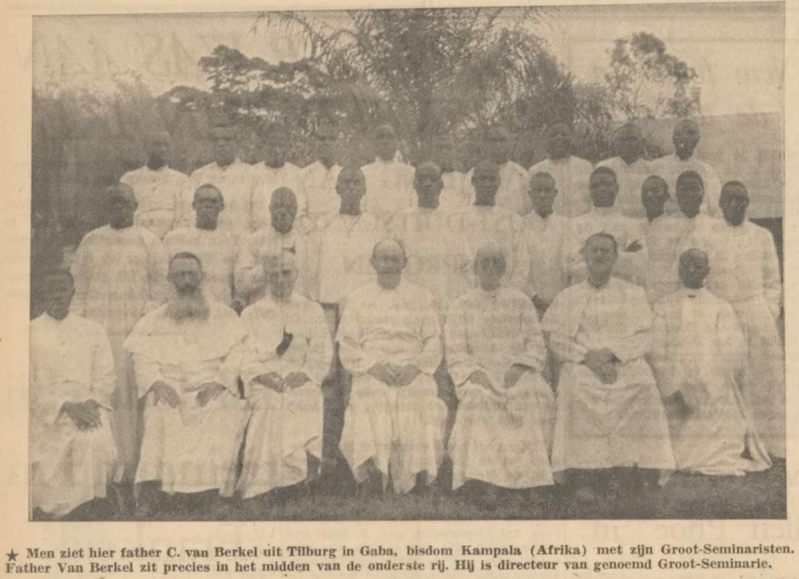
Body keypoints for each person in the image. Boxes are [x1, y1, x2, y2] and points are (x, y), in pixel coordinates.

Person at [542, 233, 674, 506]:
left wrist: (612, 355)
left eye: (606, 251)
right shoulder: (569, 296)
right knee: (576, 390)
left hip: (623, 362)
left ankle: (629, 470)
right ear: (584, 256)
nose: (599, 256)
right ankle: (586, 475)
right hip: (582, 364)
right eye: (594, 251)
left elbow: (645, 336)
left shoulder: (632, 293)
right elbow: (557, 339)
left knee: (643, 387)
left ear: (615, 258)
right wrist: (587, 357)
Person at [126, 253, 250, 514]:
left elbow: (238, 352)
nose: (186, 281)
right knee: (162, 411)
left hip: (211, 386)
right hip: (169, 386)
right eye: (180, 275)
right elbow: (142, 356)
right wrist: (157, 383)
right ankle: (152, 491)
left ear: (202, 277)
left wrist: (219, 383)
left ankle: (213, 493)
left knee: (220, 411)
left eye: (192, 274)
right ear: (170, 279)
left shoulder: (224, 315)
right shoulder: (153, 319)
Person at [70, 184, 168, 483]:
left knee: (131, 392)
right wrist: (78, 326)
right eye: (112, 203)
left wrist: (144, 323)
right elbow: (79, 287)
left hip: (135, 330)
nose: (118, 208)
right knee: (103, 388)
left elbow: (160, 288)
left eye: (124, 203)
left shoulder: (149, 241)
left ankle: (133, 464)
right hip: (99, 329)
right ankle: (103, 467)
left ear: (135, 206)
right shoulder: (92, 240)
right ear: (106, 207)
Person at [446, 246, 555, 508]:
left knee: (533, 395)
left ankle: (532, 479)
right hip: (480, 374)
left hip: (519, 373)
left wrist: (520, 367)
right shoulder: (461, 306)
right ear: (475, 267)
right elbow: (456, 350)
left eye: (497, 262)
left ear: (505, 269)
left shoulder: (520, 301)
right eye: (485, 262)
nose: (491, 267)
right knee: (479, 398)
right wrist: (474, 373)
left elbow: (535, 344)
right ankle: (485, 480)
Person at [337, 239, 446, 494]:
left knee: (421, 398)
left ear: (404, 263)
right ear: (373, 263)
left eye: (395, 259)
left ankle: (419, 474)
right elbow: (348, 344)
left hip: (412, 367)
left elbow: (432, 341)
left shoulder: (421, 296)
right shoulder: (358, 298)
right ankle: (372, 474)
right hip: (373, 367)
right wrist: (373, 367)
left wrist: (416, 367)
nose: (389, 265)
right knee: (370, 396)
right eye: (383, 259)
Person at [651, 249, 771, 476]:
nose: (691, 270)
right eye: (686, 265)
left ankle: (712, 453)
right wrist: (675, 384)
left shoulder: (721, 306)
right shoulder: (663, 306)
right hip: (675, 380)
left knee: (714, 401)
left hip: (713, 381)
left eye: (697, 266)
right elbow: (657, 349)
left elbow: (733, 349)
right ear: (679, 269)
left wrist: (706, 378)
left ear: (707, 271)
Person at [238, 250, 333, 501]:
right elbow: (244, 354)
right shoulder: (251, 313)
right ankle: (262, 485)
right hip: (264, 380)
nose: (280, 279)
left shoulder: (311, 310)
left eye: (286, 273)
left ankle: (301, 478)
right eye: (273, 274)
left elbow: (321, 351)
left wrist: (304, 374)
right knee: (270, 403)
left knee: (303, 398)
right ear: (265, 278)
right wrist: (263, 375)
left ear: (296, 274)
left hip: (300, 378)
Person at [705, 182, 785, 459]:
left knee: (761, 378)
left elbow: (773, 281)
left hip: (755, 313)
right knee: (726, 377)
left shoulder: (761, 235)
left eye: (741, 199)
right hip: (722, 312)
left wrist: (768, 311)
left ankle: (768, 440)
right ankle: (731, 443)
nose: (735, 204)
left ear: (748, 202)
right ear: (721, 203)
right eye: (729, 199)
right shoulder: (708, 233)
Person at [30, 270, 117, 519]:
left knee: (93, 439)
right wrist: (63, 405)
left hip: (89, 406)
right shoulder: (29, 331)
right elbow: (25, 384)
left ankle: (91, 502)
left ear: (73, 293)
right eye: (51, 290)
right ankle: (57, 507)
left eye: (63, 290)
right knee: (48, 449)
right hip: (46, 411)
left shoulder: (92, 329)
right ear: (43, 295)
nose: (58, 296)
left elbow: (106, 376)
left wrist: (92, 403)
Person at [388, 162, 471, 321]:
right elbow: (392, 266)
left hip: (445, 303)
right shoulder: (400, 221)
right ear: (414, 184)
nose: (427, 184)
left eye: (432, 179)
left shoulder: (453, 220)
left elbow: (465, 265)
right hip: (409, 306)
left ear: (441, 185)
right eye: (422, 179)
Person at [316, 167, 384, 330]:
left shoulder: (376, 227)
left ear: (364, 190)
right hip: (329, 304)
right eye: (346, 182)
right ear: (337, 188)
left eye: (356, 183)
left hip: (364, 307)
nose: (351, 187)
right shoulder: (323, 225)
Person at [163, 184, 243, 311]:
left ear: (222, 206)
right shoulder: (174, 239)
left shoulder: (234, 241)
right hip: (183, 310)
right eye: (202, 201)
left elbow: (239, 281)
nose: (207, 205)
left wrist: (238, 302)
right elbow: (164, 278)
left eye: (213, 201)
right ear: (193, 205)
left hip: (221, 310)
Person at [451, 160, 528, 291]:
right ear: (473, 181)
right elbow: (454, 263)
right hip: (467, 298)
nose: (486, 184)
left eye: (491, 179)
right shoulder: (457, 219)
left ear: (499, 182)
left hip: (505, 298)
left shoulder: (512, 220)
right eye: (482, 179)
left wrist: (508, 296)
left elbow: (521, 264)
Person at [567, 167, 646, 286]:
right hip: (584, 295)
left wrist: (586, 254)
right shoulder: (574, 224)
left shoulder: (632, 225)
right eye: (596, 185)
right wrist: (621, 253)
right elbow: (571, 266)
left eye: (607, 184)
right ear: (590, 190)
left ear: (617, 188)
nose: (602, 189)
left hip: (621, 294)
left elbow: (640, 264)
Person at [235, 187, 314, 305]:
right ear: (270, 208)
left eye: (287, 207)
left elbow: (313, 286)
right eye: (278, 206)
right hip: (263, 312)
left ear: (296, 210)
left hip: (297, 313)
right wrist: (265, 269)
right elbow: (240, 284)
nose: (282, 212)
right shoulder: (253, 241)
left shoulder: (307, 243)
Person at [120, 131, 192, 239]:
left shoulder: (182, 180)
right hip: (135, 240)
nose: (163, 149)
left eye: (166, 145)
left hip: (170, 241)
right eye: (157, 145)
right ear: (145, 147)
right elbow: (123, 213)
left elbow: (187, 215)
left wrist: (170, 238)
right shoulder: (129, 179)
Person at [520, 172, 572, 318]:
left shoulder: (567, 225)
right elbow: (518, 269)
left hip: (562, 305)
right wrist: (534, 299)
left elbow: (571, 265)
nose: (542, 195)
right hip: (528, 304)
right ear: (530, 194)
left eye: (547, 191)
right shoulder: (519, 226)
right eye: (537, 191)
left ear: (555, 193)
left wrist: (560, 301)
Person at [189, 125, 257, 233]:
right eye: (216, 140)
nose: (221, 144)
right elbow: (190, 214)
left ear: (237, 143)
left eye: (227, 139)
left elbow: (258, 218)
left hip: (240, 241)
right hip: (205, 241)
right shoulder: (198, 175)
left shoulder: (253, 174)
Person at [652, 119, 722, 216]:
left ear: (697, 139)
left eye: (690, 133)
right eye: (679, 133)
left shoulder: (707, 171)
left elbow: (715, 209)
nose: (684, 137)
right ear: (673, 139)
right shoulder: (657, 167)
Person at [528, 121, 593, 217]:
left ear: (572, 138)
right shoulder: (536, 170)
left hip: (581, 228)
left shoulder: (585, 167)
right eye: (553, 135)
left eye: (564, 134)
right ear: (546, 140)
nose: (559, 137)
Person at [251, 124, 307, 232]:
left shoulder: (298, 174)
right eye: (272, 145)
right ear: (263, 145)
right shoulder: (252, 173)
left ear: (288, 147)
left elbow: (301, 211)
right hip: (259, 239)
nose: (276, 150)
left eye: (281, 145)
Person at [468, 126, 530, 216]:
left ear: (511, 143)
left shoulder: (522, 175)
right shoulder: (473, 173)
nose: (498, 145)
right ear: (486, 144)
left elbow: (528, 210)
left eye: (502, 140)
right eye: (493, 141)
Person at [361, 123, 416, 225]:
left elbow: (414, 206)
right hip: (371, 231)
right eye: (380, 137)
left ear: (397, 143)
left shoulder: (410, 172)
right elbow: (360, 207)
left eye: (389, 137)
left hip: (403, 230)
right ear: (374, 143)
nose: (385, 141)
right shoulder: (364, 172)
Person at [596, 123, 653, 219]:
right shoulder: (604, 167)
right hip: (612, 223)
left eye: (632, 139)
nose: (627, 143)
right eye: (622, 139)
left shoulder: (651, 169)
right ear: (615, 143)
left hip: (642, 225)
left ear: (642, 143)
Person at [640, 175, 678, 304]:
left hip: (666, 299)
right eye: (645, 192)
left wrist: (654, 295)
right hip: (635, 299)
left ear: (667, 196)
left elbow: (676, 268)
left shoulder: (676, 228)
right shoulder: (634, 227)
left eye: (655, 190)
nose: (650, 195)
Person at [301, 125, 343, 226]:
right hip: (310, 235)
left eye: (331, 139)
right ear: (315, 143)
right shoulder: (303, 175)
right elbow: (299, 212)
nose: (326, 143)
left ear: (338, 144)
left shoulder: (346, 176)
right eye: (321, 139)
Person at [429, 134, 471, 211]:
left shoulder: (464, 179)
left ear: (454, 151)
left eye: (448, 148)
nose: (445, 152)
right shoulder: (425, 179)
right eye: (440, 148)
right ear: (433, 152)